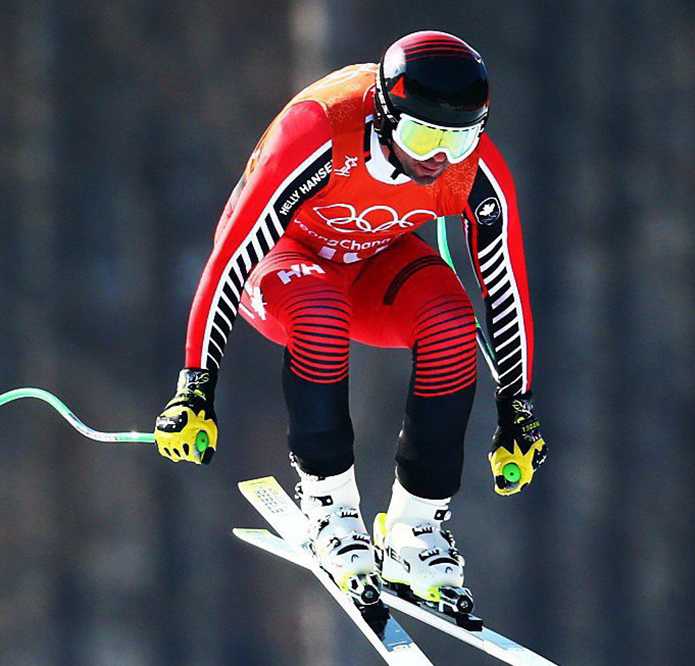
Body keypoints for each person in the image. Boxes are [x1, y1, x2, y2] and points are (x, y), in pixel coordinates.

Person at [153, 31, 545, 607]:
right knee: (320, 310)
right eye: (421, 135)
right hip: (282, 262)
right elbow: (231, 257)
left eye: (459, 141)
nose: (438, 158)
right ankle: (328, 506)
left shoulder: (474, 169)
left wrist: (517, 410)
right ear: (385, 115)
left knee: (451, 323)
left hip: (371, 260)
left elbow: (505, 282)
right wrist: (195, 389)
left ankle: (417, 528)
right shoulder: (322, 130)